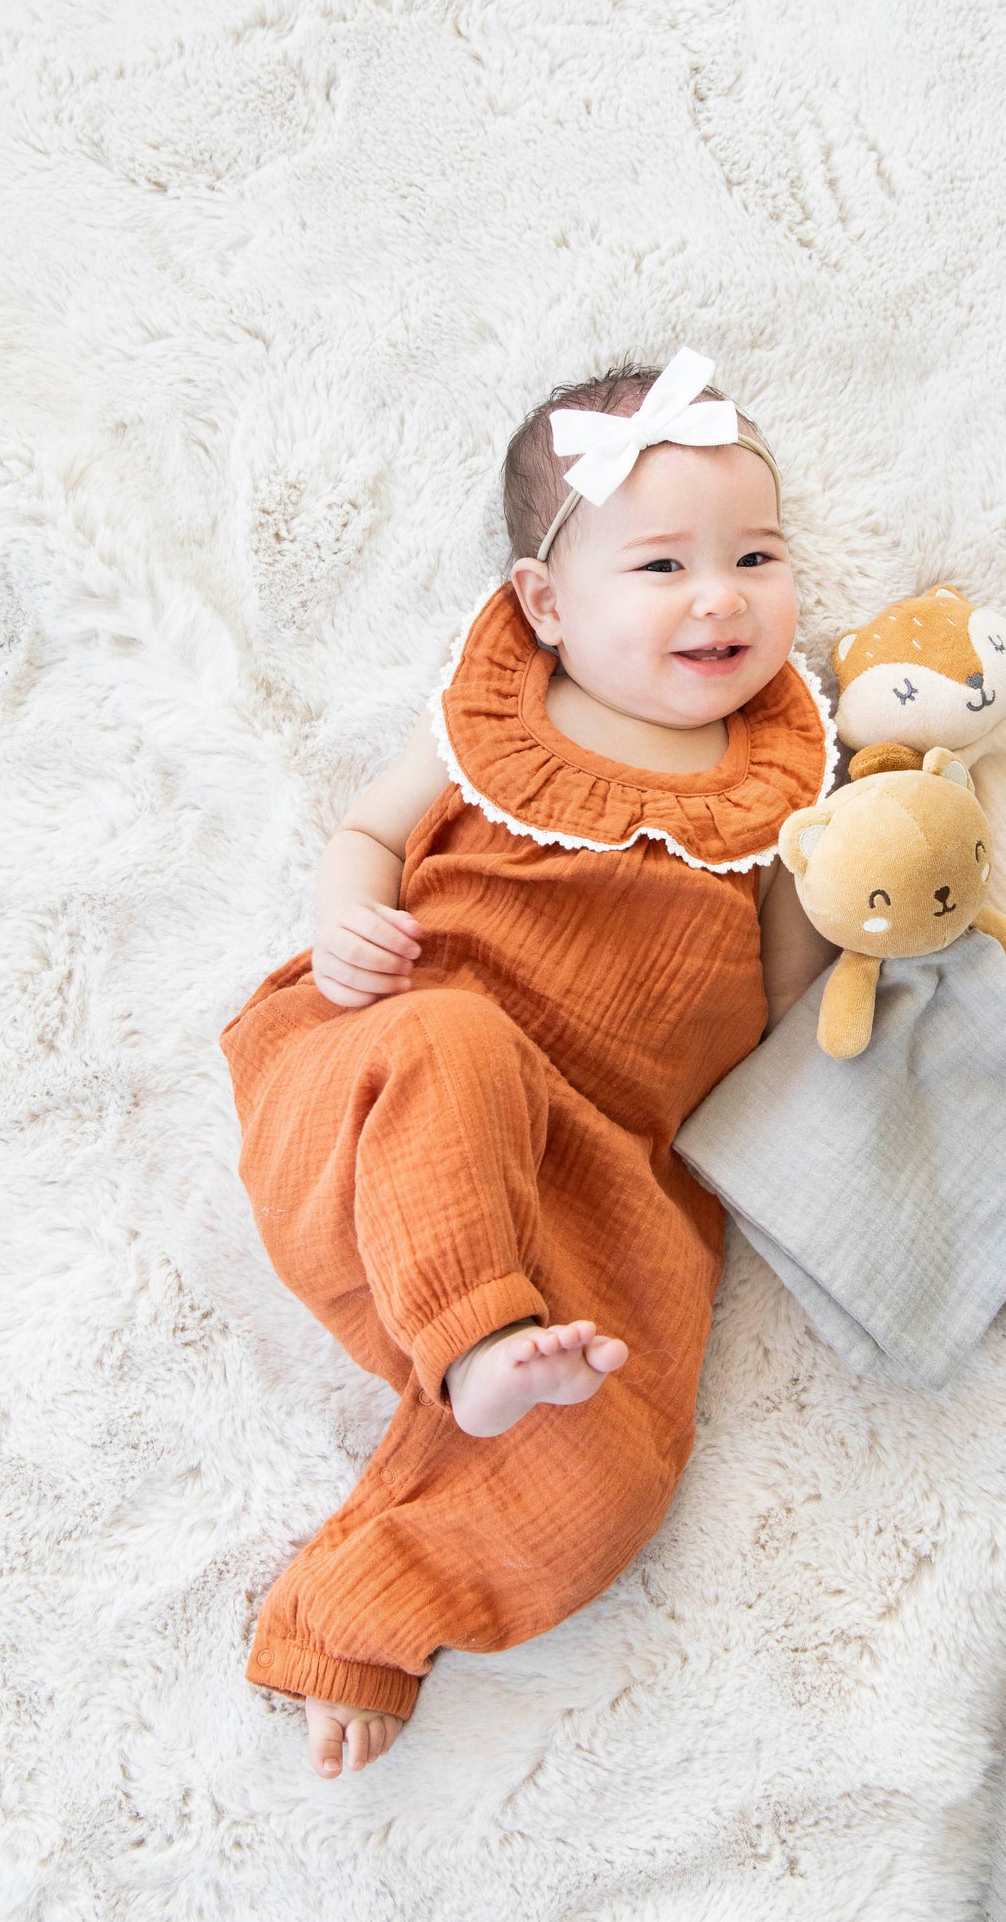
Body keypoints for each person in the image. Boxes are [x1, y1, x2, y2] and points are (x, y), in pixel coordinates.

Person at [219, 346, 837, 1777]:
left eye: (755, 553)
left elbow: (790, 1012)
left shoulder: (787, 789)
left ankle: (362, 1613)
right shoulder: (498, 727)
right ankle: (476, 1336)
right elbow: (368, 833)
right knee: (453, 1036)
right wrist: (345, 923)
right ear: (545, 606)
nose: (720, 594)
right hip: (377, 1103)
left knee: (614, 1455)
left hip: (584, 1189)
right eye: (662, 564)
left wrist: (863, 886)